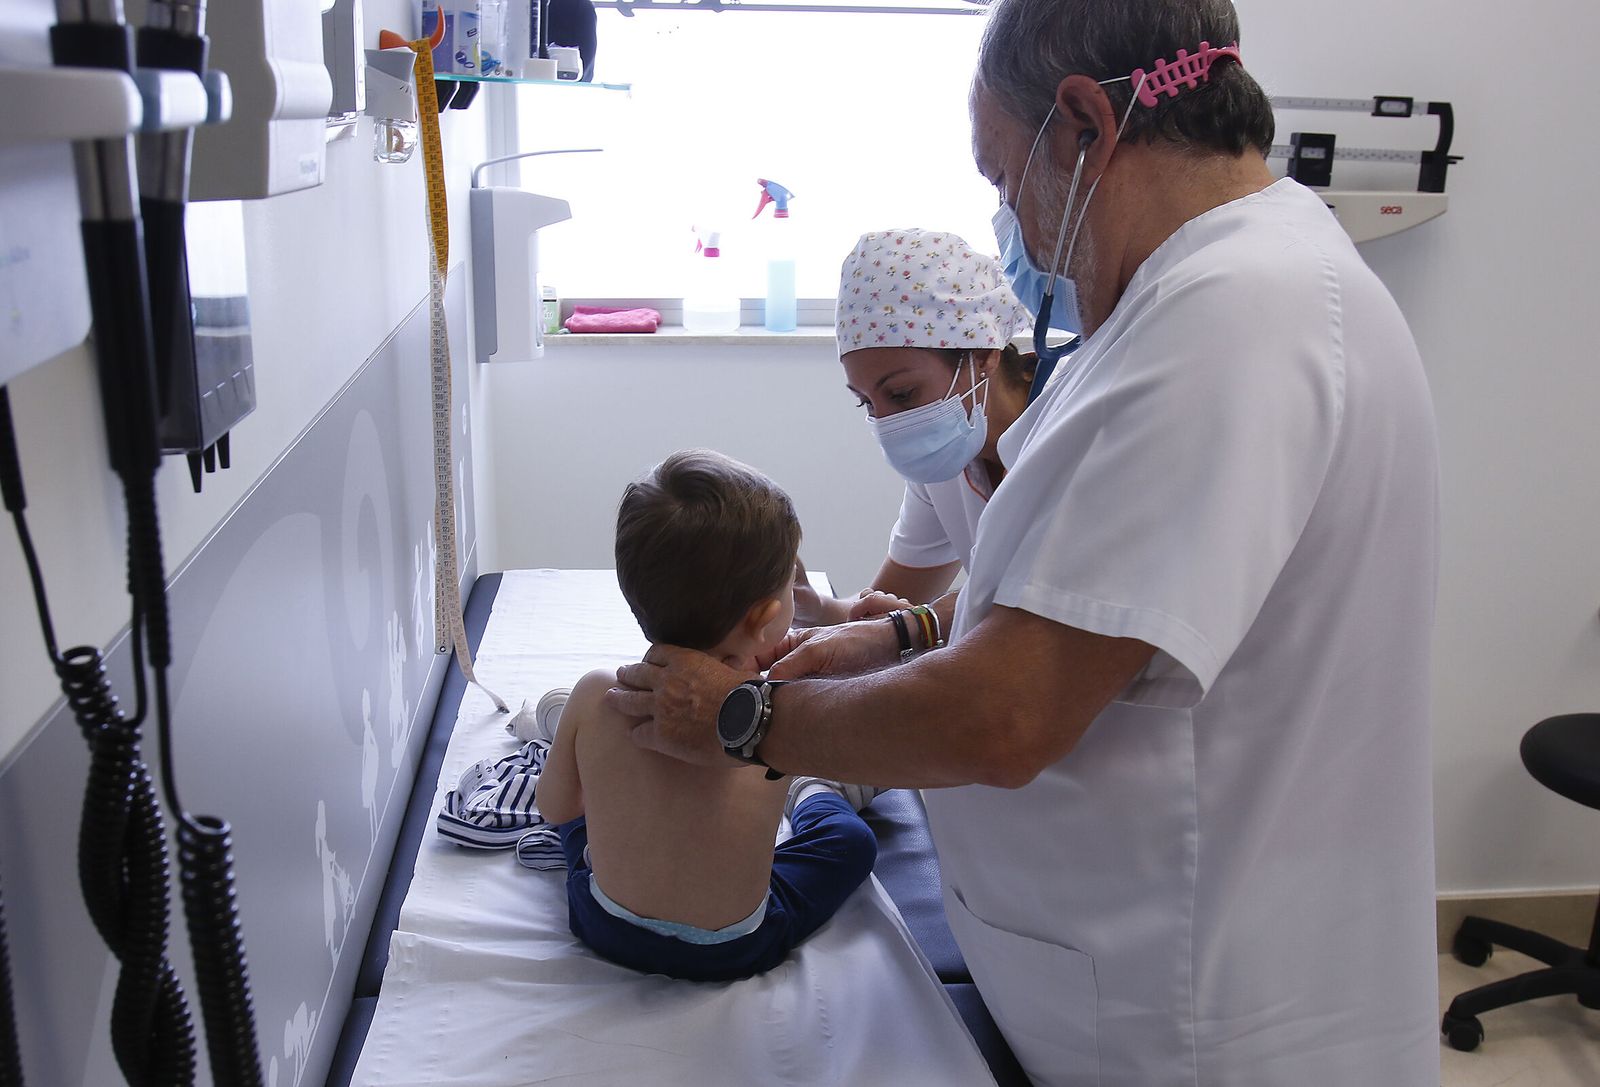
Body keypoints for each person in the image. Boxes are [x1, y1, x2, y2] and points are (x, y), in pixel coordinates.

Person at [605, 0, 1442, 1083]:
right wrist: (900, 635)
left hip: (1191, 1015)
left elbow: (1006, 716)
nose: (1016, 223)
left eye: (1005, 180)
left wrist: (741, 717)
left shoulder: (1231, 320)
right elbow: (1087, 595)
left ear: (1087, 124)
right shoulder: (1180, 305)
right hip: (1118, 973)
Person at [535, 450, 881, 982]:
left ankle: (571, 738)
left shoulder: (597, 693)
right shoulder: (776, 711)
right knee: (850, 843)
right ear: (767, 617)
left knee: (584, 814)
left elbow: (556, 809)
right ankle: (817, 793)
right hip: (730, 950)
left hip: (602, 923)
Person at [794, 230, 1036, 627]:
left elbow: (1032, 628)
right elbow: (887, 609)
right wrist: (816, 608)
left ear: (983, 354)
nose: (890, 424)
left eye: (903, 394)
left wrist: (916, 631)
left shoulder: (1071, 430)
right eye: (866, 402)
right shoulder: (948, 457)